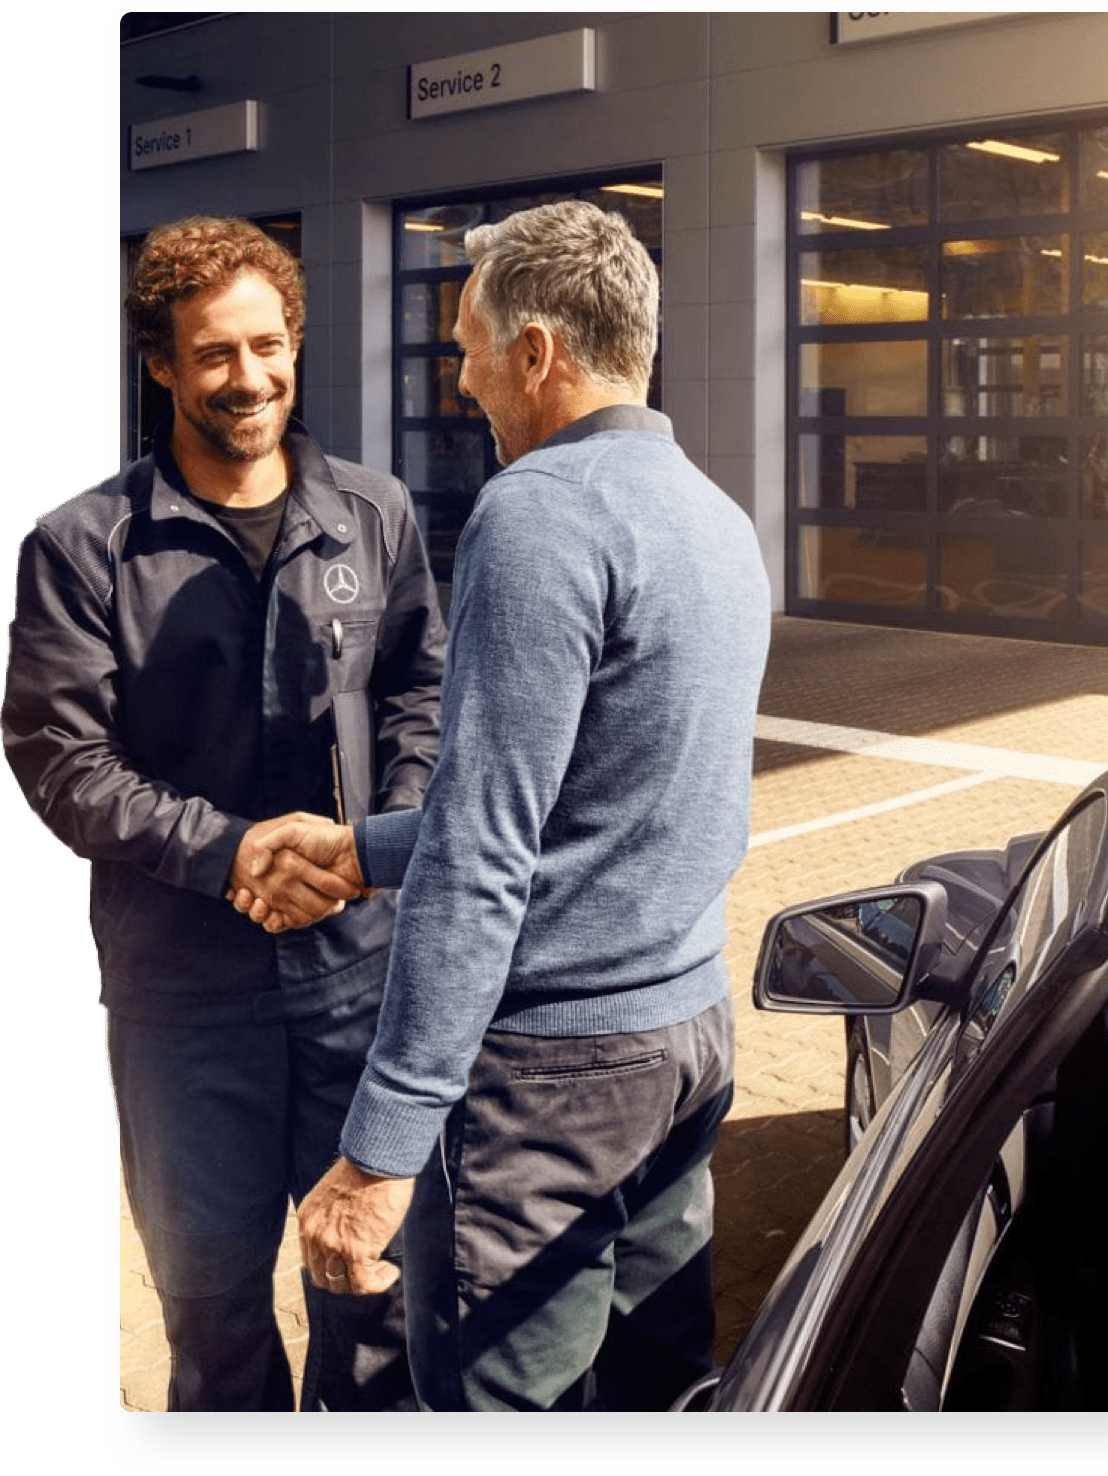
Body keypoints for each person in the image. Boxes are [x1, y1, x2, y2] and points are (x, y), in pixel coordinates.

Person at [236, 200, 771, 1412]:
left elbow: (484, 856)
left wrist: (380, 1151)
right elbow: (592, 805)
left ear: (537, 353)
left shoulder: (540, 513)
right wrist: (361, 847)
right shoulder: (715, 518)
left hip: (546, 1087)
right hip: (683, 1045)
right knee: (655, 1393)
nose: (462, 378)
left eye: (469, 346)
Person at [0, 216, 446, 1412]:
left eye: (266, 346)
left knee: (370, 1281)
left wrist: (373, 842)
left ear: (295, 343)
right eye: (212, 355)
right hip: (181, 996)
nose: (247, 379)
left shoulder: (375, 513)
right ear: (160, 365)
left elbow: (420, 692)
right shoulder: (82, 546)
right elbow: (59, 760)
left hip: (357, 975)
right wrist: (229, 848)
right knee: (210, 1310)